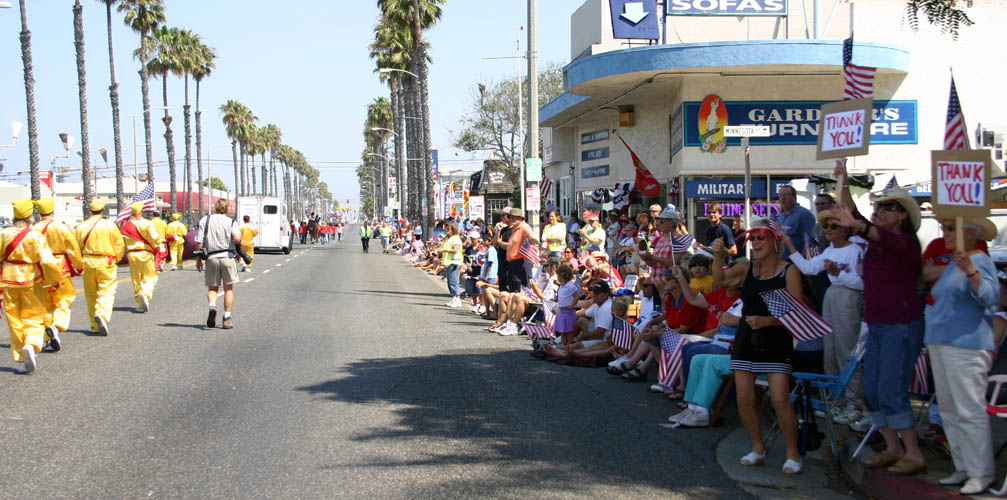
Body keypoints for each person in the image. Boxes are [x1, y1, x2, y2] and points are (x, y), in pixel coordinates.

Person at [832, 159, 926, 476]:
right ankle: (893, 447)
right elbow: (853, 215)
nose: (881, 211)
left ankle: (913, 452)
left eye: (890, 207)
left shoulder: (906, 243)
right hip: (877, 325)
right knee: (872, 392)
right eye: (879, 206)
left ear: (903, 215)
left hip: (901, 325)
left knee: (891, 390)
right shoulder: (875, 241)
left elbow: (862, 226)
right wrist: (843, 180)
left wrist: (859, 225)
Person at [711, 218, 805, 475]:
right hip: (747, 337)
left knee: (780, 400)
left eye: (761, 236)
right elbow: (720, 280)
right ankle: (757, 447)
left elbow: (798, 311)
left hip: (776, 338)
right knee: (744, 398)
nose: (756, 241)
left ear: (775, 240)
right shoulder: (746, 268)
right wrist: (717, 256)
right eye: (752, 237)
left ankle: (792, 452)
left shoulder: (789, 271)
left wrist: (769, 321)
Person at [925, 213, 999, 495]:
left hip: (966, 345)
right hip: (942, 342)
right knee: (949, 408)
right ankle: (964, 466)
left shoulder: (979, 260)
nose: (944, 232)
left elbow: (990, 297)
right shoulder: (955, 262)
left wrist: (970, 270)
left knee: (969, 409)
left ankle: (981, 472)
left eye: (951, 228)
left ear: (970, 233)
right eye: (944, 227)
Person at [784, 209, 865, 424]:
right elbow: (809, 268)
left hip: (848, 295)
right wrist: (790, 246)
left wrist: (839, 274)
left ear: (844, 230)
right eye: (826, 226)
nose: (827, 229)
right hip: (832, 295)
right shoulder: (829, 251)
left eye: (833, 226)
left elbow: (862, 283)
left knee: (846, 350)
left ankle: (853, 403)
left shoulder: (855, 251)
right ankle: (835, 399)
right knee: (830, 350)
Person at [4, 200, 63, 373]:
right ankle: (31, 343)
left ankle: (21, 360)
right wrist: (54, 280)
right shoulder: (35, 236)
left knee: (14, 320)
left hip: (8, 279)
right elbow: (48, 262)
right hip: (31, 279)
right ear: (30, 216)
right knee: (34, 316)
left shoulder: (3, 234)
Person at [31, 198, 83, 352]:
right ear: (52, 211)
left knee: (45, 305)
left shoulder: (33, 229)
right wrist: (79, 266)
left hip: (40, 270)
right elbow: (73, 249)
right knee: (65, 299)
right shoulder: (62, 228)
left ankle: (48, 339)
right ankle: (57, 325)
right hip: (60, 268)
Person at [75, 198, 125, 336]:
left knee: (91, 294)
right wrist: (117, 258)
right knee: (107, 290)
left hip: (88, 261)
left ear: (90, 210)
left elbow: (76, 247)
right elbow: (119, 245)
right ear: (103, 210)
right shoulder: (110, 226)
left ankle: (95, 324)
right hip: (106, 261)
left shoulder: (81, 227)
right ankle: (101, 314)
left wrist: (78, 263)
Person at [195, 199, 242, 329]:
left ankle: (212, 306)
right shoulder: (231, 222)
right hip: (227, 257)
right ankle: (226, 318)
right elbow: (237, 238)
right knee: (228, 289)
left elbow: (199, 242)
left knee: (212, 288)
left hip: (211, 257)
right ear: (227, 209)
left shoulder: (205, 220)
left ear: (215, 207)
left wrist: (198, 259)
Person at [121, 202, 164, 313]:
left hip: (132, 255)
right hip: (146, 253)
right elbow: (155, 237)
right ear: (141, 211)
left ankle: (140, 303)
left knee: (136, 280)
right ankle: (145, 293)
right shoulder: (147, 224)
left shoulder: (126, 226)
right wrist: (159, 245)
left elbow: (122, 243)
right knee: (150, 277)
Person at [775, 185, 816, 261]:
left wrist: (802, 262)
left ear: (794, 198)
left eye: (787, 195)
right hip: (782, 260)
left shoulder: (804, 214)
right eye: (781, 195)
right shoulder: (781, 217)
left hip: (797, 261)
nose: (783, 198)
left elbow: (809, 241)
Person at [440, 223, 464, 308]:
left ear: (453, 230)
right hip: (449, 262)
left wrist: (444, 250)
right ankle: (454, 298)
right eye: (446, 229)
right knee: (450, 282)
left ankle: (457, 300)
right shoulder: (449, 239)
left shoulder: (456, 239)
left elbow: (455, 250)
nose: (446, 231)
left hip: (454, 262)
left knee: (454, 281)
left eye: (448, 229)